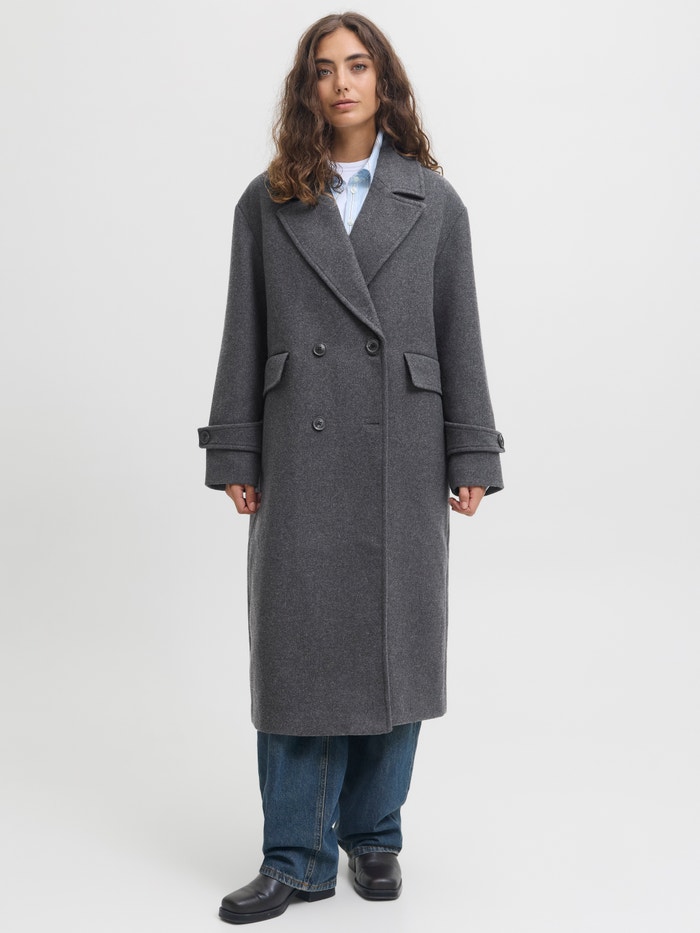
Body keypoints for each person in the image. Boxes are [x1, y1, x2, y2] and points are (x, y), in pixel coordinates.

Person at [197, 11, 505, 925]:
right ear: (307, 88)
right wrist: (237, 448)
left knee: (396, 645)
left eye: (358, 65)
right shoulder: (268, 201)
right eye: (324, 69)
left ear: (383, 81)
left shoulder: (435, 203)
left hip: (402, 446)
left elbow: (460, 331)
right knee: (297, 653)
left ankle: (375, 834)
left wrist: (472, 449)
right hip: (300, 447)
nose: (341, 83)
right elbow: (243, 328)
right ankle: (294, 856)